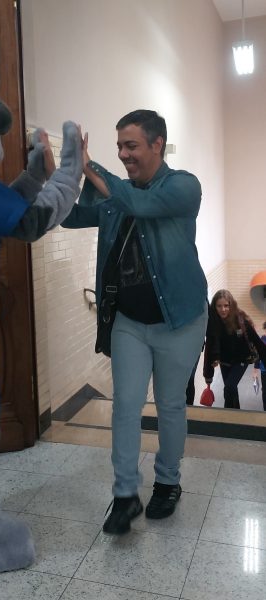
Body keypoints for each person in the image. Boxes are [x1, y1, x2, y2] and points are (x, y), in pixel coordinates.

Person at [62, 109, 208, 534]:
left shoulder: (183, 187)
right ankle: (125, 495)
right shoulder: (116, 193)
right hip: (129, 321)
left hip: (179, 320)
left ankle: (168, 481)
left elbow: (139, 203)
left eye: (132, 146)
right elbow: (71, 216)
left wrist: (89, 166)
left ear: (157, 144)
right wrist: (58, 176)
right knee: (125, 405)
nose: (124, 154)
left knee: (169, 405)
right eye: (119, 147)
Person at [204, 290, 266, 409]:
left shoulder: (240, 320)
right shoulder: (213, 323)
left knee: (229, 387)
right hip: (224, 361)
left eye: (226, 305)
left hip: (241, 360)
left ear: (231, 305)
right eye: (219, 306)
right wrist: (208, 374)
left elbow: (258, 343)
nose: (223, 309)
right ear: (214, 307)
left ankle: (228, 413)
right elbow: (209, 348)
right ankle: (235, 413)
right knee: (231, 390)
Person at [259, 322, 266, 411]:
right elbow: (258, 355)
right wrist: (256, 368)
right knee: (265, 390)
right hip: (264, 370)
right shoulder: (262, 340)